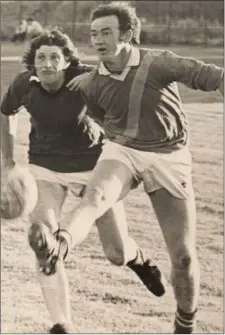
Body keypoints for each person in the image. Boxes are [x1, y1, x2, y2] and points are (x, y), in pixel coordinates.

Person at [33, 2, 224, 334]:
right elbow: (98, 116)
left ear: (129, 33)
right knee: (95, 198)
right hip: (123, 151)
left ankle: (185, 321)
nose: (99, 40)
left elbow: (217, 77)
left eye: (106, 32)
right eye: (94, 34)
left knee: (183, 258)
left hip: (169, 157)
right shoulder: (92, 83)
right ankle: (58, 247)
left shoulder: (159, 63)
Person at [1, 29, 166, 334]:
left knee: (116, 252)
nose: (47, 63)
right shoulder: (25, 83)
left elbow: (123, 109)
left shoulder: (88, 81)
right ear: (33, 62)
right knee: (44, 239)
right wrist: (8, 160)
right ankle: (62, 322)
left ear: (67, 63)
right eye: (41, 57)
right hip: (45, 169)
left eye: (55, 58)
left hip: (93, 167)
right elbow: (6, 111)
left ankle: (138, 260)